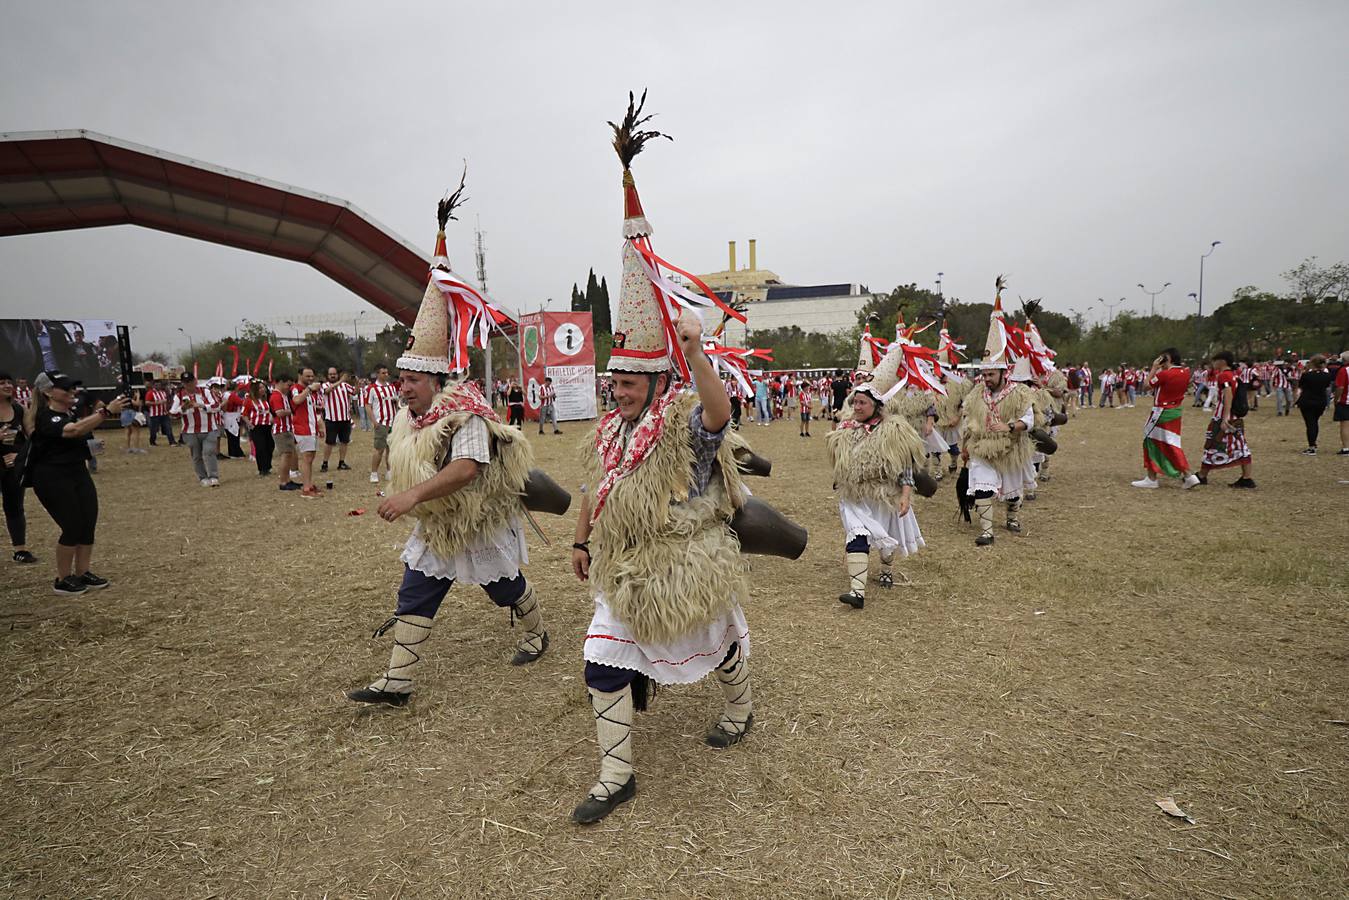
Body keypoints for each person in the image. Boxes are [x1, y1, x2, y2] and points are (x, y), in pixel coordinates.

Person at [569, 109, 762, 825]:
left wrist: (698, 349)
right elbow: (598, 486)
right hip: (626, 570)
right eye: (612, 381)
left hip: (684, 566)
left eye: (625, 383)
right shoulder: (612, 431)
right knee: (599, 660)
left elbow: (718, 416)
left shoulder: (682, 421)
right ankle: (616, 775)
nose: (615, 390)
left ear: (653, 383)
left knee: (722, 646)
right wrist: (583, 540)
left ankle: (740, 708)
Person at [347, 192, 550, 708]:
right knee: (417, 590)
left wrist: (411, 497)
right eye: (401, 378)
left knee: (503, 588)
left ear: (436, 379)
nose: (403, 387)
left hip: (477, 521)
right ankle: (397, 682)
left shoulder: (467, 414)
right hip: (441, 523)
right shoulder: (410, 417)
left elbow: (466, 469)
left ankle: (537, 631)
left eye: (412, 379)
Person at [827, 349, 925, 609]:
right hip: (854, 495)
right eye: (855, 402)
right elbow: (839, 458)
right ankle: (857, 592)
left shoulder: (894, 431)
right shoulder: (845, 428)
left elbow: (906, 467)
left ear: (876, 406)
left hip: (882, 495)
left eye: (862, 403)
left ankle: (886, 566)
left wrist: (905, 495)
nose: (857, 407)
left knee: (885, 545)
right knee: (856, 536)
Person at [23, 371, 126, 594]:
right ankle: (63, 578)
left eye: (73, 387)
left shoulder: (68, 413)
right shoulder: (45, 417)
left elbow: (78, 432)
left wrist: (92, 446)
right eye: (66, 388)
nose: (73, 391)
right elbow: (73, 431)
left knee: (87, 524)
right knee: (71, 526)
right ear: (49, 392)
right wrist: (106, 412)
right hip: (52, 478)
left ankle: (82, 572)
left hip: (77, 473)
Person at [961, 280, 1035, 546]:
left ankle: (1012, 516)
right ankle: (986, 532)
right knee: (982, 484)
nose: (986, 378)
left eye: (991, 373)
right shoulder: (976, 393)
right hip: (983, 447)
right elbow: (968, 420)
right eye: (984, 373)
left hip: (1011, 448)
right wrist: (967, 445)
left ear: (1004, 372)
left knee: (1013, 491)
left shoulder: (1019, 393)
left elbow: (1029, 419)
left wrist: (1011, 426)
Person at [1133, 349, 1200, 489]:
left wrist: (1154, 368)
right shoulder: (1185, 372)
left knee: (1151, 441)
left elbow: (1146, 386)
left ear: (1168, 359)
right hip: (1175, 411)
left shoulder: (1165, 374)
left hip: (1161, 411)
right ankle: (1187, 475)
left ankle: (1154, 478)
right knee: (1171, 442)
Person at [1197, 351, 1255, 488]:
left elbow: (1227, 395)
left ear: (1222, 361)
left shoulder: (1224, 376)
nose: (1213, 364)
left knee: (1213, 442)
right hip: (1235, 416)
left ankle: (1202, 475)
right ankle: (1247, 478)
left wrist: (1225, 418)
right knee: (1240, 445)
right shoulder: (1234, 374)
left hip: (1224, 415)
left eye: (1215, 361)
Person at [0, 373, 37, 564]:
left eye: (9, 382)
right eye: (2, 383)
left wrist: (20, 455)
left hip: (13, 467)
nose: (7, 386)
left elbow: (32, 436)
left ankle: (20, 550)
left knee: (14, 507)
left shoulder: (19, 409)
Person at [173, 373, 221, 487]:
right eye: (186, 383)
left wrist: (201, 405)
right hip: (190, 431)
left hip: (209, 428)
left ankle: (213, 476)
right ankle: (202, 477)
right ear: (183, 383)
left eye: (191, 381)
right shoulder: (179, 396)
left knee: (209, 451)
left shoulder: (206, 392)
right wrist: (183, 408)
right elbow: (172, 413)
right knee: (196, 455)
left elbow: (217, 406)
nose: (189, 385)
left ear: (195, 381)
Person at [290, 367, 325, 497]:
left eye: (312, 376)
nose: (310, 379)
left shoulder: (310, 392)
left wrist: (319, 425)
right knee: (306, 457)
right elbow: (296, 400)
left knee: (310, 457)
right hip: (302, 428)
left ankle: (309, 484)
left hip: (311, 427)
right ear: (300, 375)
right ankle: (306, 488)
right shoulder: (296, 388)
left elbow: (311, 409)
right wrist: (309, 389)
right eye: (307, 376)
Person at [363, 364, 399, 484]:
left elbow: (396, 402)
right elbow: (367, 405)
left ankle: (389, 471)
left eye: (387, 372)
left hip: (393, 421)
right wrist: (374, 421)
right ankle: (374, 473)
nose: (386, 375)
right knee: (379, 449)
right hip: (381, 422)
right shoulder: (371, 388)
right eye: (383, 373)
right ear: (377, 374)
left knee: (391, 449)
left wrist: (396, 401)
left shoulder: (391, 387)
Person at [268, 373, 301, 490]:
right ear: (280, 382)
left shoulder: (282, 395)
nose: (288, 387)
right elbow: (279, 412)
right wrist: (292, 410)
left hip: (286, 428)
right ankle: (283, 481)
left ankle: (287, 479)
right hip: (281, 429)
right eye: (287, 384)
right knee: (285, 455)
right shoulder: (276, 396)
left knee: (289, 454)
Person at [319, 368, 356, 473]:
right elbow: (327, 391)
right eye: (330, 374)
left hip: (345, 418)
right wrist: (341, 381)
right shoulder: (325, 385)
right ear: (327, 375)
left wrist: (357, 383)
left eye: (334, 374)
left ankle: (342, 462)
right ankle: (325, 463)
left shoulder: (345, 385)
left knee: (344, 441)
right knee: (329, 442)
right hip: (332, 419)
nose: (332, 376)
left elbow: (354, 392)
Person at [1294, 356, 1333, 454]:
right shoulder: (1327, 376)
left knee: (1310, 423)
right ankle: (1313, 443)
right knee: (1315, 422)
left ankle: (1312, 446)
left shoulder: (1306, 375)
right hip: (1320, 401)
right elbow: (1327, 386)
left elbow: (1301, 386)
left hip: (1307, 401)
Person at [243, 378, 274, 476]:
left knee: (270, 446)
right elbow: (244, 414)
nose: (263, 389)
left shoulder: (267, 399)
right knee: (260, 447)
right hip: (257, 427)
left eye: (263, 387)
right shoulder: (249, 400)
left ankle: (268, 466)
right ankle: (262, 469)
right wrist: (249, 424)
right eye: (260, 388)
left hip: (268, 426)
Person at [144, 378, 175, 446]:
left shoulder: (163, 392)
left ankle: (172, 442)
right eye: (156, 385)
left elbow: (167, 401)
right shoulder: (150, 393)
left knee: (168, 427)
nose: (158, 386)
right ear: (153, 386)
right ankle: (152, 442)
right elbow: (147, 402)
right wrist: (157, 403)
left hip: (164, 413)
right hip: (155, 415)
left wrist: (168, 408)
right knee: (154, 430)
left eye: (159, 385)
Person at [120, 385, 146, 454]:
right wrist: (138, 396)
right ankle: (136, 448)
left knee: (127, 432)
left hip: (123, 414)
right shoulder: (129, 399)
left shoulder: (122, 399)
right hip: (130, 413)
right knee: (136, 431)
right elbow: (137, 404)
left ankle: (127, 448)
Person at [1335, 350, 1349, 455]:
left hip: (1345, 401)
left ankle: (1346, 448)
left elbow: (1340, 387)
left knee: (1344, 425)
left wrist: (1336, 399)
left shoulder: (1344, 370)